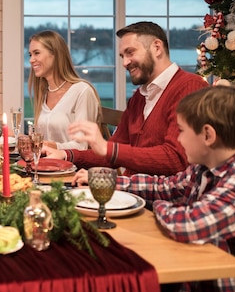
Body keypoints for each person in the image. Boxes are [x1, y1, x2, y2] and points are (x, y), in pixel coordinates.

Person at [73, 86, 235, 292]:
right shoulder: (205, 166)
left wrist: (158, 207)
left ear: (208, 136)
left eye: (181, 131)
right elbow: (166, 187)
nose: (178, 139)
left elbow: (186, 224)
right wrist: (113, 182)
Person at [44, 21, 208, 176]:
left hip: (159, 199)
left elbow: (176, 158)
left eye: (130, 52)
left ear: (157, 48)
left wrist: (109, 150)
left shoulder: (190, 87)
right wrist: (65, 154)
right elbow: (108, 153)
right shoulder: (139, 97)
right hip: (129, 191)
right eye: (122, 56)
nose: (124, 62)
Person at [28, 30, 101, 150]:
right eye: (30, 55)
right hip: (47, 165)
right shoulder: (44, 92)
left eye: (37, 53)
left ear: (56, 55)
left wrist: (48, 145)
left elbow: (82, 146)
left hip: (74, 167)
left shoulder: (82, 91)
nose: (31, 60)